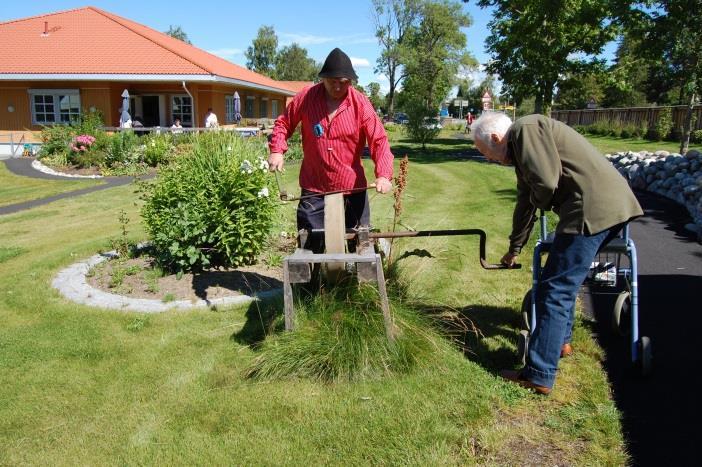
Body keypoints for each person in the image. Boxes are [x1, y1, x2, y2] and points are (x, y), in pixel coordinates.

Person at [470, 112, 643, 395]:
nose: (486, 157)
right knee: (560, 282)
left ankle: (538, 373)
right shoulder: (522, 148)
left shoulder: (526, 129)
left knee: (554, 290)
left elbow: (546, 184)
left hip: (591, 207)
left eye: (483, 151)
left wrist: (542, 200)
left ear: (495, 138)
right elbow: (526, 202)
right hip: (610, 205)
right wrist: (515, 248)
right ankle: (560, 343)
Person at [268, 47, 394, 253]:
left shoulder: (360, 103)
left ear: (351, 81)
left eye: (343, 82)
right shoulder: (306, 98)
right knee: (308, 248)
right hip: (314, 189)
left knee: (361, 247)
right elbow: (283, 123)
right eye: (332, 81)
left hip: (352, 189)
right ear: (323, 78)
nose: (337, 87)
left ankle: (355, 286)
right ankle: (309, 286)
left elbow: (379, 140)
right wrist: (277, 150)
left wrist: (384, 175)